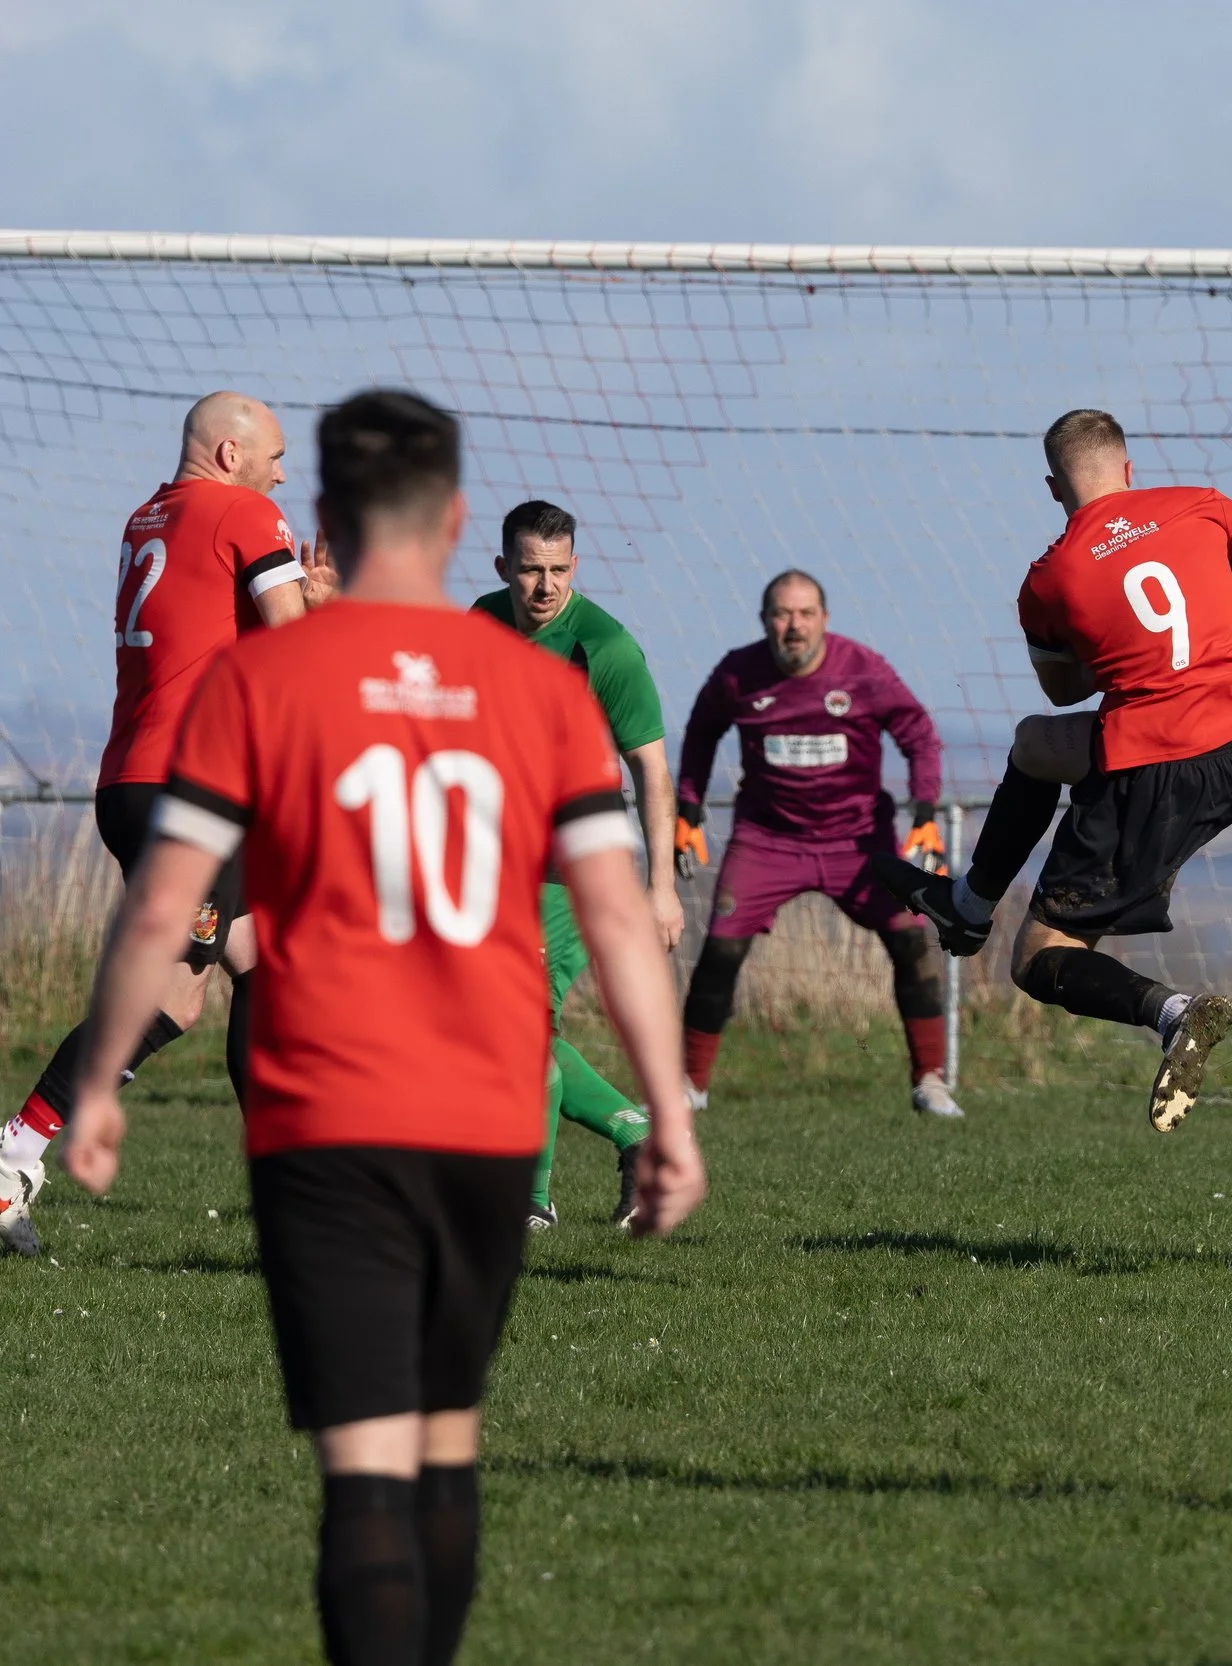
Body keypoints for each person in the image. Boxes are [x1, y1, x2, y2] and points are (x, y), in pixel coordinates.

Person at [60, 388, 705, 1663]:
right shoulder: (532, 689)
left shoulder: (264, 677)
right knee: (445, 1438)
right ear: (460, 522)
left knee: (361, 1465)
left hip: (324, 1114)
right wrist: (665, 1114)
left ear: (323, 523)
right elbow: (623, 922)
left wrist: (93, 1089)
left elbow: (165, 906)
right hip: (473, 1113)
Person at [873, 408, 1232, 1131]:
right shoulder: (1207, 507)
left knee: (1040, 955)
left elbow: (1065, 687)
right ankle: (970, 904)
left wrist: (1105, 631)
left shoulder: (1048, 578)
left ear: (1054, 488)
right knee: (1034, 744)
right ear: (1129, 469)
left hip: (1150, 770)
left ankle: (1174, 1015)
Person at [2, 391, 317, 1257]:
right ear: (228, 453)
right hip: (192, 793)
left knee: (252, 961)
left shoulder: (151, 515)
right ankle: (15, 1155)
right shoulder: (248, 512)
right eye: (274, 456)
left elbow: (217, 646)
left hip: (137, 781)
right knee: (173, 994)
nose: (283, 472)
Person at [674, 568, 958, 1117]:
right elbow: (702, 729)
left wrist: (924, 811)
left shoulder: (864, 670)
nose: (794, 625)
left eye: (805, 614)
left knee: (911, 941)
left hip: (857, 841)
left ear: (825, 620)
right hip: (767, 840)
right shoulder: (737, 674)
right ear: (765, 621)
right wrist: (687, 805)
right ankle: (689, 1087)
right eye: (782, 613)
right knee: (720, 949)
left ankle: (931, 1082)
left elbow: (918, 731)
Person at [473, 501, 684, 1230]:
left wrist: (660, 888)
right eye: (530, 570)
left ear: (576, 567)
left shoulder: (606, 648)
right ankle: (637, 1133)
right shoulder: (480, 624)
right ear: (503, 568)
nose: (545, 586)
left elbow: (653, 773)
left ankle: (530, 1202)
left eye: (559, 570)